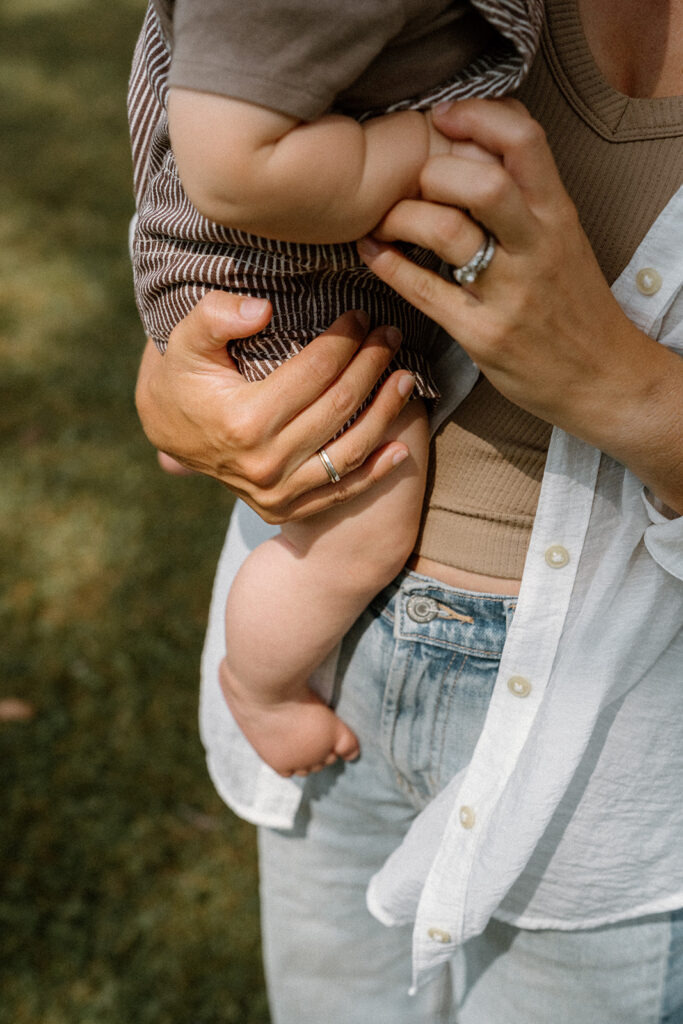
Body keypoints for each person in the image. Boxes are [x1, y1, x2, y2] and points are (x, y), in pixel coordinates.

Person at [134, 0, 683, 1019]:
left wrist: (624, 388)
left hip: (617, 751)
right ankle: (258, 681)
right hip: (329, 649)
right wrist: (175, 379)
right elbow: (221, 177)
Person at [129, 0, 543, 775]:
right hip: (288, 273)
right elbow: (234, 167)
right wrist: (427, 144)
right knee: (363, 528)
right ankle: (263, 688)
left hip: (287, 249)